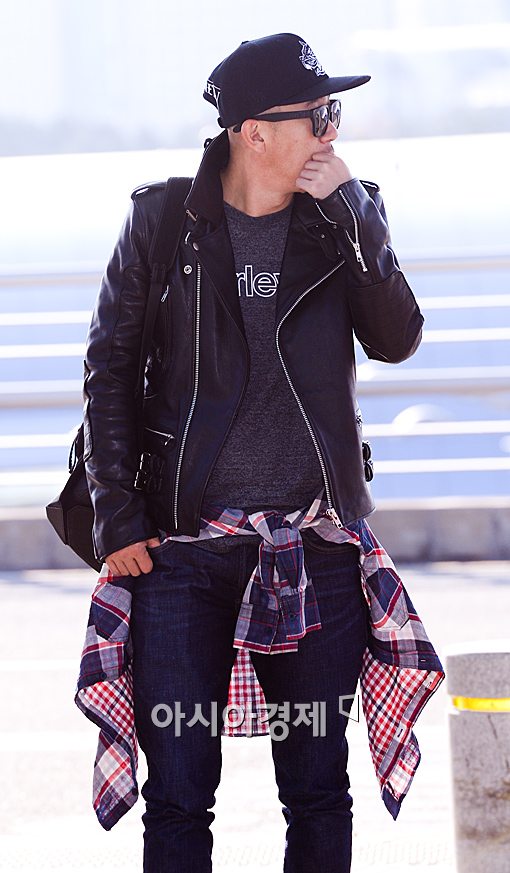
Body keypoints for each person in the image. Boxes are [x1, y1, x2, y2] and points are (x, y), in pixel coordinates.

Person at [80, 32, 441, 873]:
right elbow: (110, 369)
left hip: (314, 551)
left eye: (332, 112)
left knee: (316, 788)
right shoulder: (162, 222)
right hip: (182, 555)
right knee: (179, 794)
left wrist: (354, 214)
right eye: (319, 114)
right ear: (254, 132)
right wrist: (117, 515)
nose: (331, 131)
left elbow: (397, 338)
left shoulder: (343, 215)